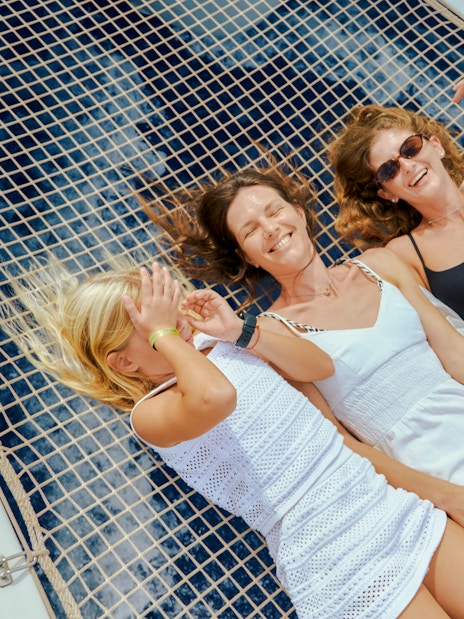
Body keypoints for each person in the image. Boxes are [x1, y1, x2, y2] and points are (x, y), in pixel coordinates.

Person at [4, 257, 464, 618]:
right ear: (124, 363)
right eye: (150, 324)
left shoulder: (220, 345)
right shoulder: (151, 415)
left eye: (167, 304)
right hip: (331, 552)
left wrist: (240, 332)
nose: (173, 319)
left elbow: (320, 366)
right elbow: (217, 396)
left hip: (382, 500)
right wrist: (167, 334)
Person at [145, 160, 464, 492]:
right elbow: (341, 444)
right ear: (248, 256)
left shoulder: (379, 265)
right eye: (251, 230)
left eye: (274, 211)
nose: (270, 228)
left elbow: (455, 353)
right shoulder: (272, 334)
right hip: (434, 475)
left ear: (298, 212)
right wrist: (449, 499)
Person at [327, 103, 464, 319]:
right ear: (386, 193)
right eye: (389, 170)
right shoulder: (404, 254)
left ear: (436, 146)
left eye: (410, 149)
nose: (407, 166)